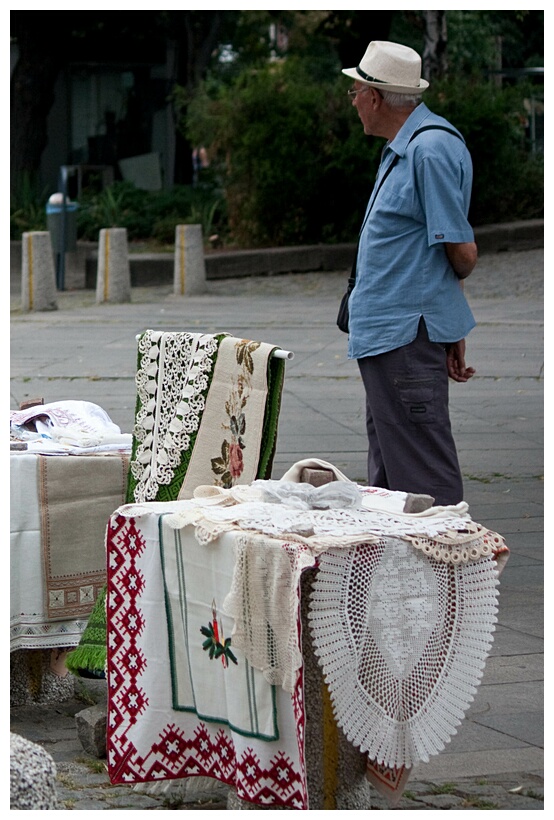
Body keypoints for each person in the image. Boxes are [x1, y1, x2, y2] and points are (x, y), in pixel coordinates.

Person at [342, 40, 477, 506]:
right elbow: (429, 249)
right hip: (392, 335)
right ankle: (402, 578)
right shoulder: (408, 148)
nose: (353, 100)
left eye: (355, 90)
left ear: (376, 97)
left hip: (404, 336)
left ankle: (448, 575)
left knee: (422, 475)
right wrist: (448, 322)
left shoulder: (429, 150)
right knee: (390, 473)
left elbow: (458, 249)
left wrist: (447, 324)